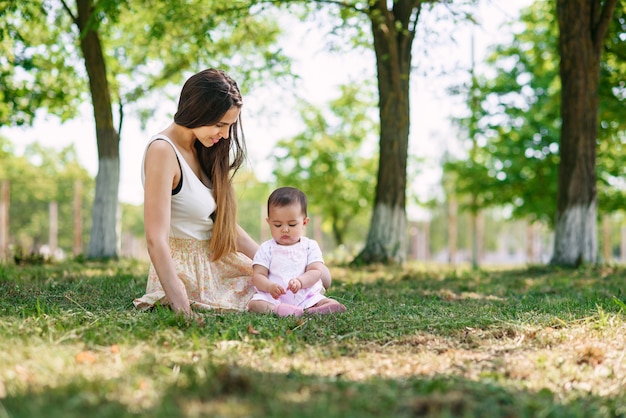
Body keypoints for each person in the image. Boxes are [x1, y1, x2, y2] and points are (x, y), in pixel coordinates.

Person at [133, 69, 332, 317]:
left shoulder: (200, 149)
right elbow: (155, 240)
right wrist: (182, 308)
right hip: (189, 271)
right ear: (198, 111)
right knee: (262, 294)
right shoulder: (163, 151)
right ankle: (295, 310)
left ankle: (303, 305)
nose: (225, 135)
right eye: (220, 125)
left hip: (217, 261)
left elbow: (223, 224)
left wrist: (272, 259)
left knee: (292, 279)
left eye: (229, 126)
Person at [247, 187, 346, 317]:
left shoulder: (310, 246)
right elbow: (258, 276)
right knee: (255, 304)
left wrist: (300, 282)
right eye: (277, 225)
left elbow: (315, 271)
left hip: (305, 296)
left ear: (304, 222)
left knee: (322, 300)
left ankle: (320, 308)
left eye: (292, 224)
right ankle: (279, 310)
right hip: (274, 298)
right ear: (269, 222)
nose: (285, 230)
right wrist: (269, 286)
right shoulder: (266, 248)